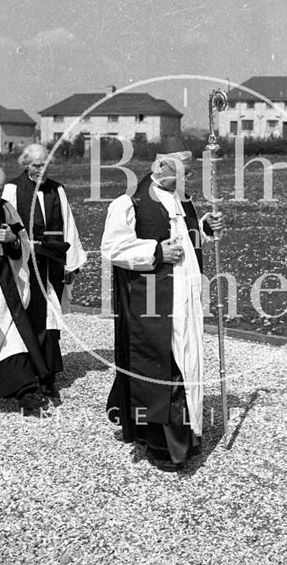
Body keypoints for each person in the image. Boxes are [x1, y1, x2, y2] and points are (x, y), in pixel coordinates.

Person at [101, 136, 224, 472]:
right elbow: (112, 248)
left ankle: (186, 438)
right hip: (153, 301)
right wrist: (156, 253)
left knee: (186, 363)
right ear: (161, 166)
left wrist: (206, 228)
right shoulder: (129, 202)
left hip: (185, 297)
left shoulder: (183, 200)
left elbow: (188, 237)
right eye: (181, 172)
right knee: (162, 366)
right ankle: (162, 445)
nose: (186, 179)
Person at [2, 144, 87, 397]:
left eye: (45, 164)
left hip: (53, 262)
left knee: (51, 315)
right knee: (33, 315)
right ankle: (31, 374)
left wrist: (72, 263)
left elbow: (68, 224)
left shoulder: (57, 189)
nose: (41, 170)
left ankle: (48, 373)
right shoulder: (13, 189)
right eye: (36, 165)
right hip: (26, 265)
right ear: (25, 164)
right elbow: (10, 226)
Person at [0, 165, 49, 411]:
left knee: (12, 335)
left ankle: (24, 389)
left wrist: (13, 241)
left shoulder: (6, 209)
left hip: (2, 287)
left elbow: (23, 243)